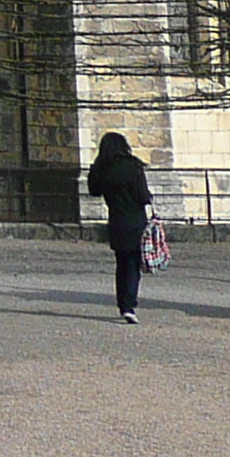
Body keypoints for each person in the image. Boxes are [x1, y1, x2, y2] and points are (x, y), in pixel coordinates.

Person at [88, 131, 152, 323]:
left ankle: (123, 304)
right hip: (135, 220)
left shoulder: (102, 168)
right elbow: (142, 196)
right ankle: (130, 305)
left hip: (116, 220)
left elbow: (94, 191)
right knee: (133, 264)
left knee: (121, 263)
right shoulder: (133, 166)